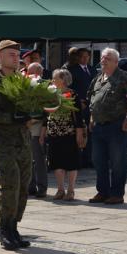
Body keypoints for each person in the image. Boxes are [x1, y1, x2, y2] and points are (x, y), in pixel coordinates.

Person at [0, 40, 32, 251]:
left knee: (24, 184)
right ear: (0, 56)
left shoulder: (21, 79)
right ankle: (4, 230)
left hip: (22, 138)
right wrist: (13, 117)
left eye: (17, 55)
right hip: (3, 140)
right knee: (10, 183)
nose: (16, 58)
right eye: (11, 54)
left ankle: (14, 226)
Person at [88, 48, 127, 205]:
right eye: (102, 58)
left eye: (107, 58)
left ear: (116, 61)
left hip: (117, 126)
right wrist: (91, 118)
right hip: (98, 126)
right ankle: (103, 192)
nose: (103, 60)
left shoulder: (123, 77)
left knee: (117, 161)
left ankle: (116, 194)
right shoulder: (97, 78)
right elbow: (92, 100)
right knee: (98, 160)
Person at [40, 69, 85, 201]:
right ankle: (60, 190)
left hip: (69, 133)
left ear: (63, 80)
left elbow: (77, 115)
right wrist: (43, 134)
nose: (52, 81)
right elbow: (45, 115)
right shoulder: (50, 94)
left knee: (71, 162)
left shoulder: (72, 94)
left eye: (55, 78)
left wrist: (79, 133)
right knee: (56, 162)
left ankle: (70, 190)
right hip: (54, 134)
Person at [69, 48, 96, 167]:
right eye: (82, 57)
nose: (85, 59)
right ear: (78, 57)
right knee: (79, 130)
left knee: (90, 131)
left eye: (87, 57)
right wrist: (79, 100)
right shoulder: (72, 70)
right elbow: (70, 87)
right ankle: (78, 159)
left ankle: (88, 159)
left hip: (91, 104)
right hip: (79, 105)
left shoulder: (92, 69)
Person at [26, 63, 48, 198]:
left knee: (39, 159)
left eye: (31, 72)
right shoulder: (26, 86)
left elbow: (48, 110)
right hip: (26, 126)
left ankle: (42, 187)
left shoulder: (46, 87)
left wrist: (43, 132)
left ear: (39, 72)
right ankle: (30, 186)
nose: (28, 75)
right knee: (28, 159)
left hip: (38, 127)